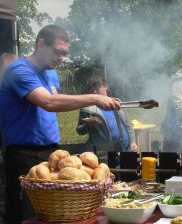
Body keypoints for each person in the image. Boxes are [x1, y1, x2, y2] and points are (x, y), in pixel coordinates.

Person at [0, 24, 120, 224]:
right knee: (25, 215)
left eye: (65, 54)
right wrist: (94, 98)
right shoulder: (19, 70)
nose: (62, 58)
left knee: (55, 214)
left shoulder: (51, 73)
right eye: (58, 52)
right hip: (23, 155)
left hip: (51, 154)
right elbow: (48, 102)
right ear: (40, 44)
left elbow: (56, 104)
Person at [76, 76, 138, 152]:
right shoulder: (87, 108)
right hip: (104, 151)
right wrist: (87, 125)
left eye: (97, 88)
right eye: (92, 90)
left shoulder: (117, 103)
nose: (94, 92)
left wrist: (132, 142)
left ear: (106, 87)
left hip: (125, 148)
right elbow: (80, 131)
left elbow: (128, 125)